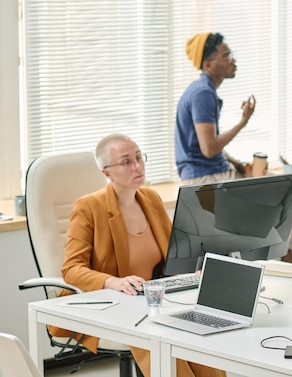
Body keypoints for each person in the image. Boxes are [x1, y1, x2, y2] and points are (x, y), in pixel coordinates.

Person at [51, 133, 225, 377]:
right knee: (161, 345)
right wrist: (113, 281)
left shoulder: (151, 198)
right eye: (126, 162)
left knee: (201, 345)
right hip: (110, 304)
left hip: (152, 301)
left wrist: (192, 272)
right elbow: (71, 269)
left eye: (139, 158)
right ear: (107, 172)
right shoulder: (88, 206)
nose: (137, 166)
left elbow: (172, 255)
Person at [175, 32, 256, 185]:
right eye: (226, 57)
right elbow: (209, 149)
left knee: (268, 180)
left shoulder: (203, 90)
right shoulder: (203, 94)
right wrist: (243, 122)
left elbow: (208, 145)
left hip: (210, 173)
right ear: (208, 65)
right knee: (277, 186)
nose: (234, 61)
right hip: (206, 177)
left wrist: (239, 165)